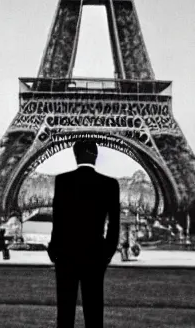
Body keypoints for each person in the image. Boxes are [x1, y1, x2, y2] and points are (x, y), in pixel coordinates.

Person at [47, 140, 120, 328]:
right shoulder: (110, 184)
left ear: (75, 155)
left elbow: (58, 219)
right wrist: (108, 252)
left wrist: (54, 250)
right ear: (95, 156)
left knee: (65, 313)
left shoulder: (62, 181)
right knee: (94, 312)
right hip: (95, 254)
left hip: (65, 254)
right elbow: (114, 224)